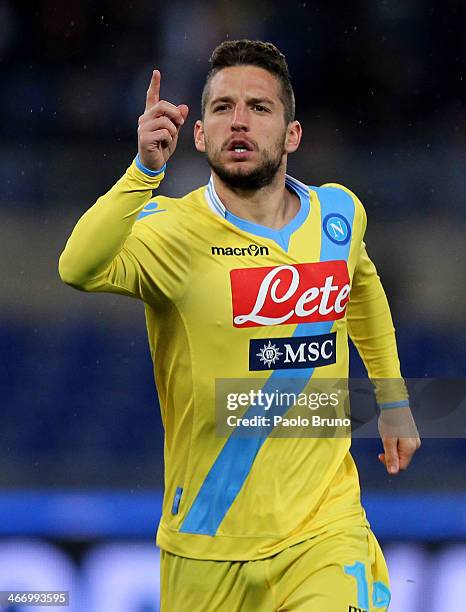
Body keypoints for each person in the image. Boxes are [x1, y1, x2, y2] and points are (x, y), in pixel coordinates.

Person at [59, 40, 421, 612]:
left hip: (325, 531)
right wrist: (142, 171)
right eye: (223, 108)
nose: (239, 121)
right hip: (206, 543)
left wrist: (392, 395)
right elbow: (77, 267)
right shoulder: (171, 232)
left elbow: (362, 286)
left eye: (258, 107)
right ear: (199, 135)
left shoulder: (338, 215)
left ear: (292, 134)